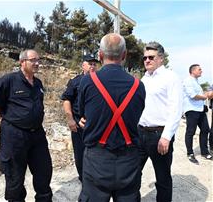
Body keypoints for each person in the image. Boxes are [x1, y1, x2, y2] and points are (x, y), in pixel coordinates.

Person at [78, 33, 146, 201]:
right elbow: (137, 113)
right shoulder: (139, 86)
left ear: (100, 55)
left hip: (96, 160)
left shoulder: (87, 81)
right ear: (124, 55)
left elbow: (83, 114)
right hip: (129, 160)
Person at [0, 49, 52, 202]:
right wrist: (8, 117)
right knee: (14, 177)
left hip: (37, 136)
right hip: (14, 136)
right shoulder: (8, 80)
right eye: (33, 60)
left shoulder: (38, 83)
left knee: (44, 171)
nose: (37, 63)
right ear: (22, 62)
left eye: (38, 60)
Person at [138, 41, 183, 202]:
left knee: (163, 179)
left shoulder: (170, 77)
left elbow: (176, 109)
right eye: (145, 57)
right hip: (140, 133)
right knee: (132, 174)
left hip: (159, 135)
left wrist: (166, 136)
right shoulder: (144, 78)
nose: (147, 60)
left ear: (161, 58)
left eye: (151, 57)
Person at [60, 53, 99, 182]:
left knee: (97, 153)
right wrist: (70, 120)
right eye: (90, 64)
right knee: (80, 154)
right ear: (83, 65)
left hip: (96, 125)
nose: (93, 66)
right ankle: (83, 179)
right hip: (79, 125)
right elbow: (66, 100)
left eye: (95, 64)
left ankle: (95, 178)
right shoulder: (76, 81)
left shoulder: (100, 81)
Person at [182, 64, 212, 164]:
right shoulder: (188, 80)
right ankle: (190, 153)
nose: (201, 71)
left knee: (205, 129)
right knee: (191, 131)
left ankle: (204, 152)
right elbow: (193, 95)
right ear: (193, 71)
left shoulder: (196, 82)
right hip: (191, 110)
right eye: (199, 69)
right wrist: (205, 96)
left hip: (200, 109)